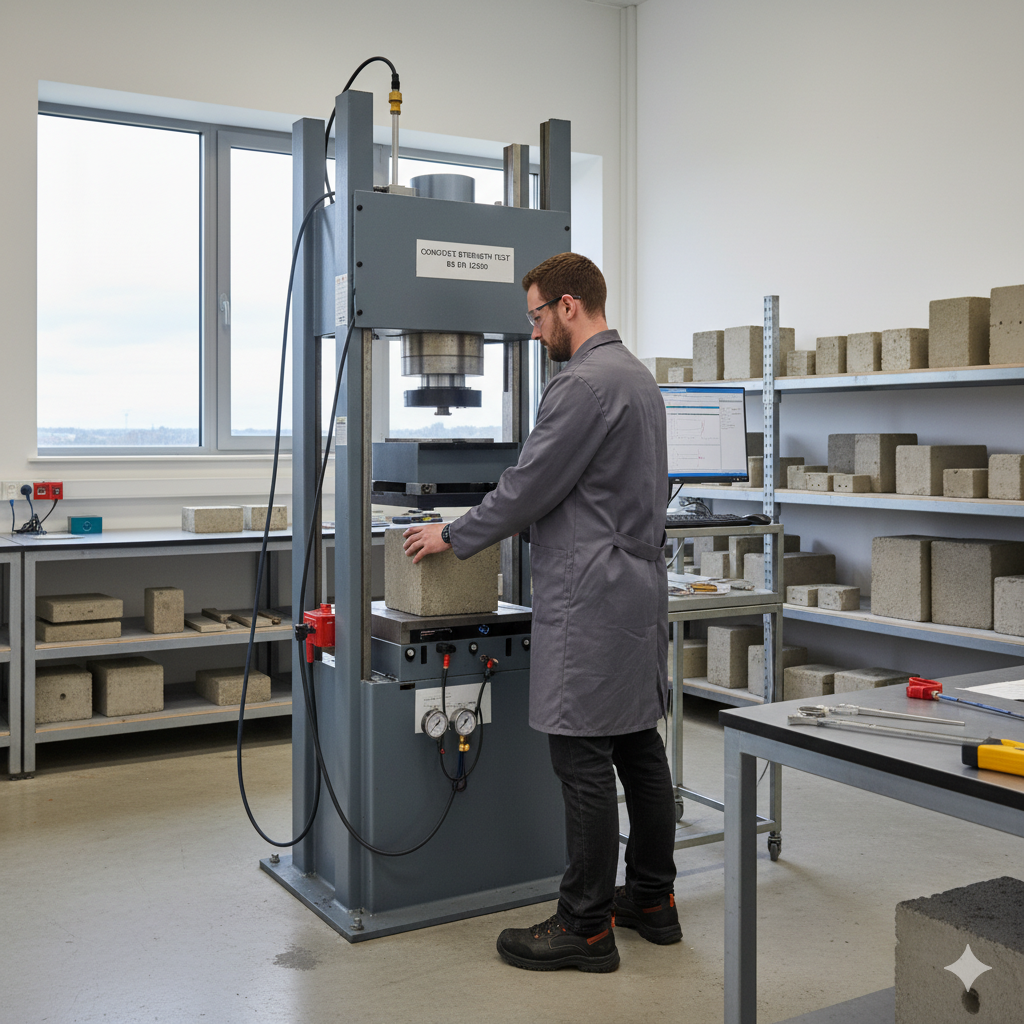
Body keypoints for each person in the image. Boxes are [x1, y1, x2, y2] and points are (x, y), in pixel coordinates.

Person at [402, 252, 679, 973]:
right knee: (638, 747)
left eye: (533, 317)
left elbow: (527, 487)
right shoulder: (639, 379)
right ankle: (651, 898)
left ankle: (585, 926)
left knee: (583, 756)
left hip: (592, 595)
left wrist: (451, 534)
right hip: (639, 589)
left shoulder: (580, 383)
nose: (531, 334)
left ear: (566, 305)